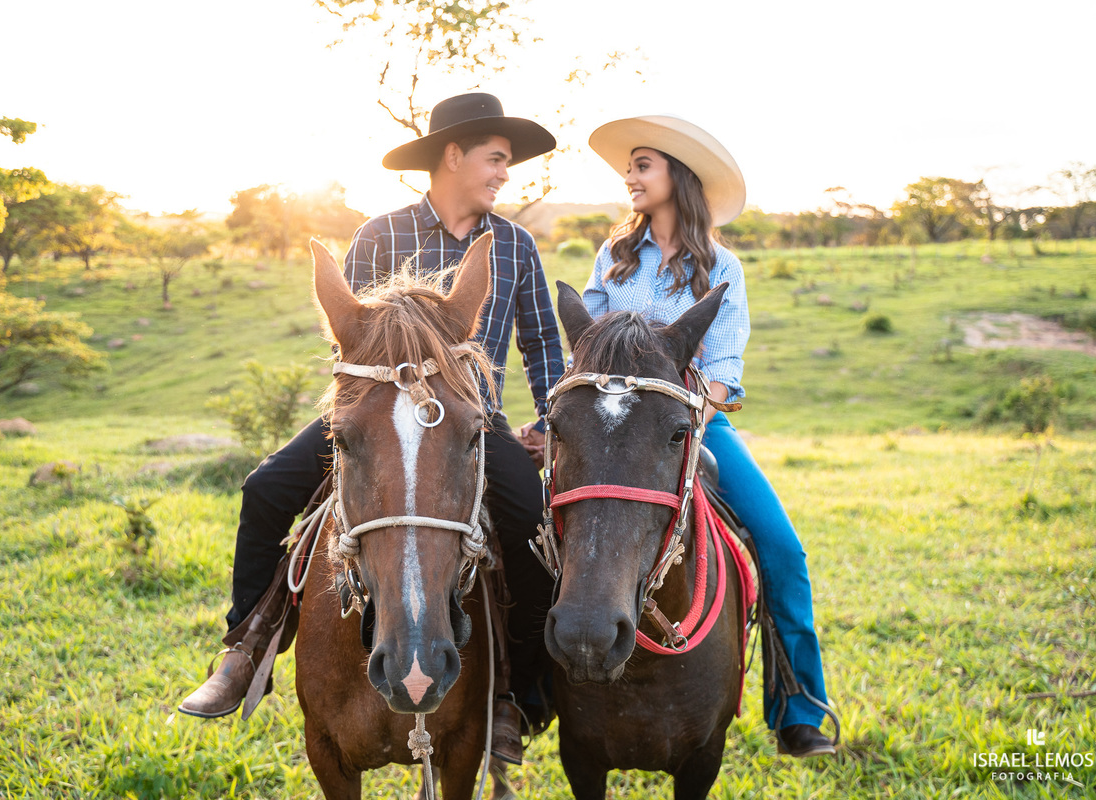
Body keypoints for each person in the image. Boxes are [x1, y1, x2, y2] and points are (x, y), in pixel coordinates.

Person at [179, 92, 566, 766]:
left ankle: (518, 691)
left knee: (533, 528)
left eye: (507, 162)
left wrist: (548, 422)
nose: (505, 173)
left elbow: (541, 344)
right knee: (266, 487)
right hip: (375, 413)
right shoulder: (381, 233)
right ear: (453, 155)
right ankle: (246, 646)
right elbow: (349, 338)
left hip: (470, 421)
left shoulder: (514, 245)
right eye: (496, 159)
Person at [581, 115, 837, 758]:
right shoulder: (612, 258)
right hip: (609, 431)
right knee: (537, 533)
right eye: (629, 167)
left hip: (696, 423)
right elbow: (586, 346)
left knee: (781, 548)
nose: (630, 176)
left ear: (679, 175)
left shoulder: (722, 267)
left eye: (643, 165)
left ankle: (800, 710)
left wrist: (689, 414)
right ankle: (529, 695)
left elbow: (723, 369)